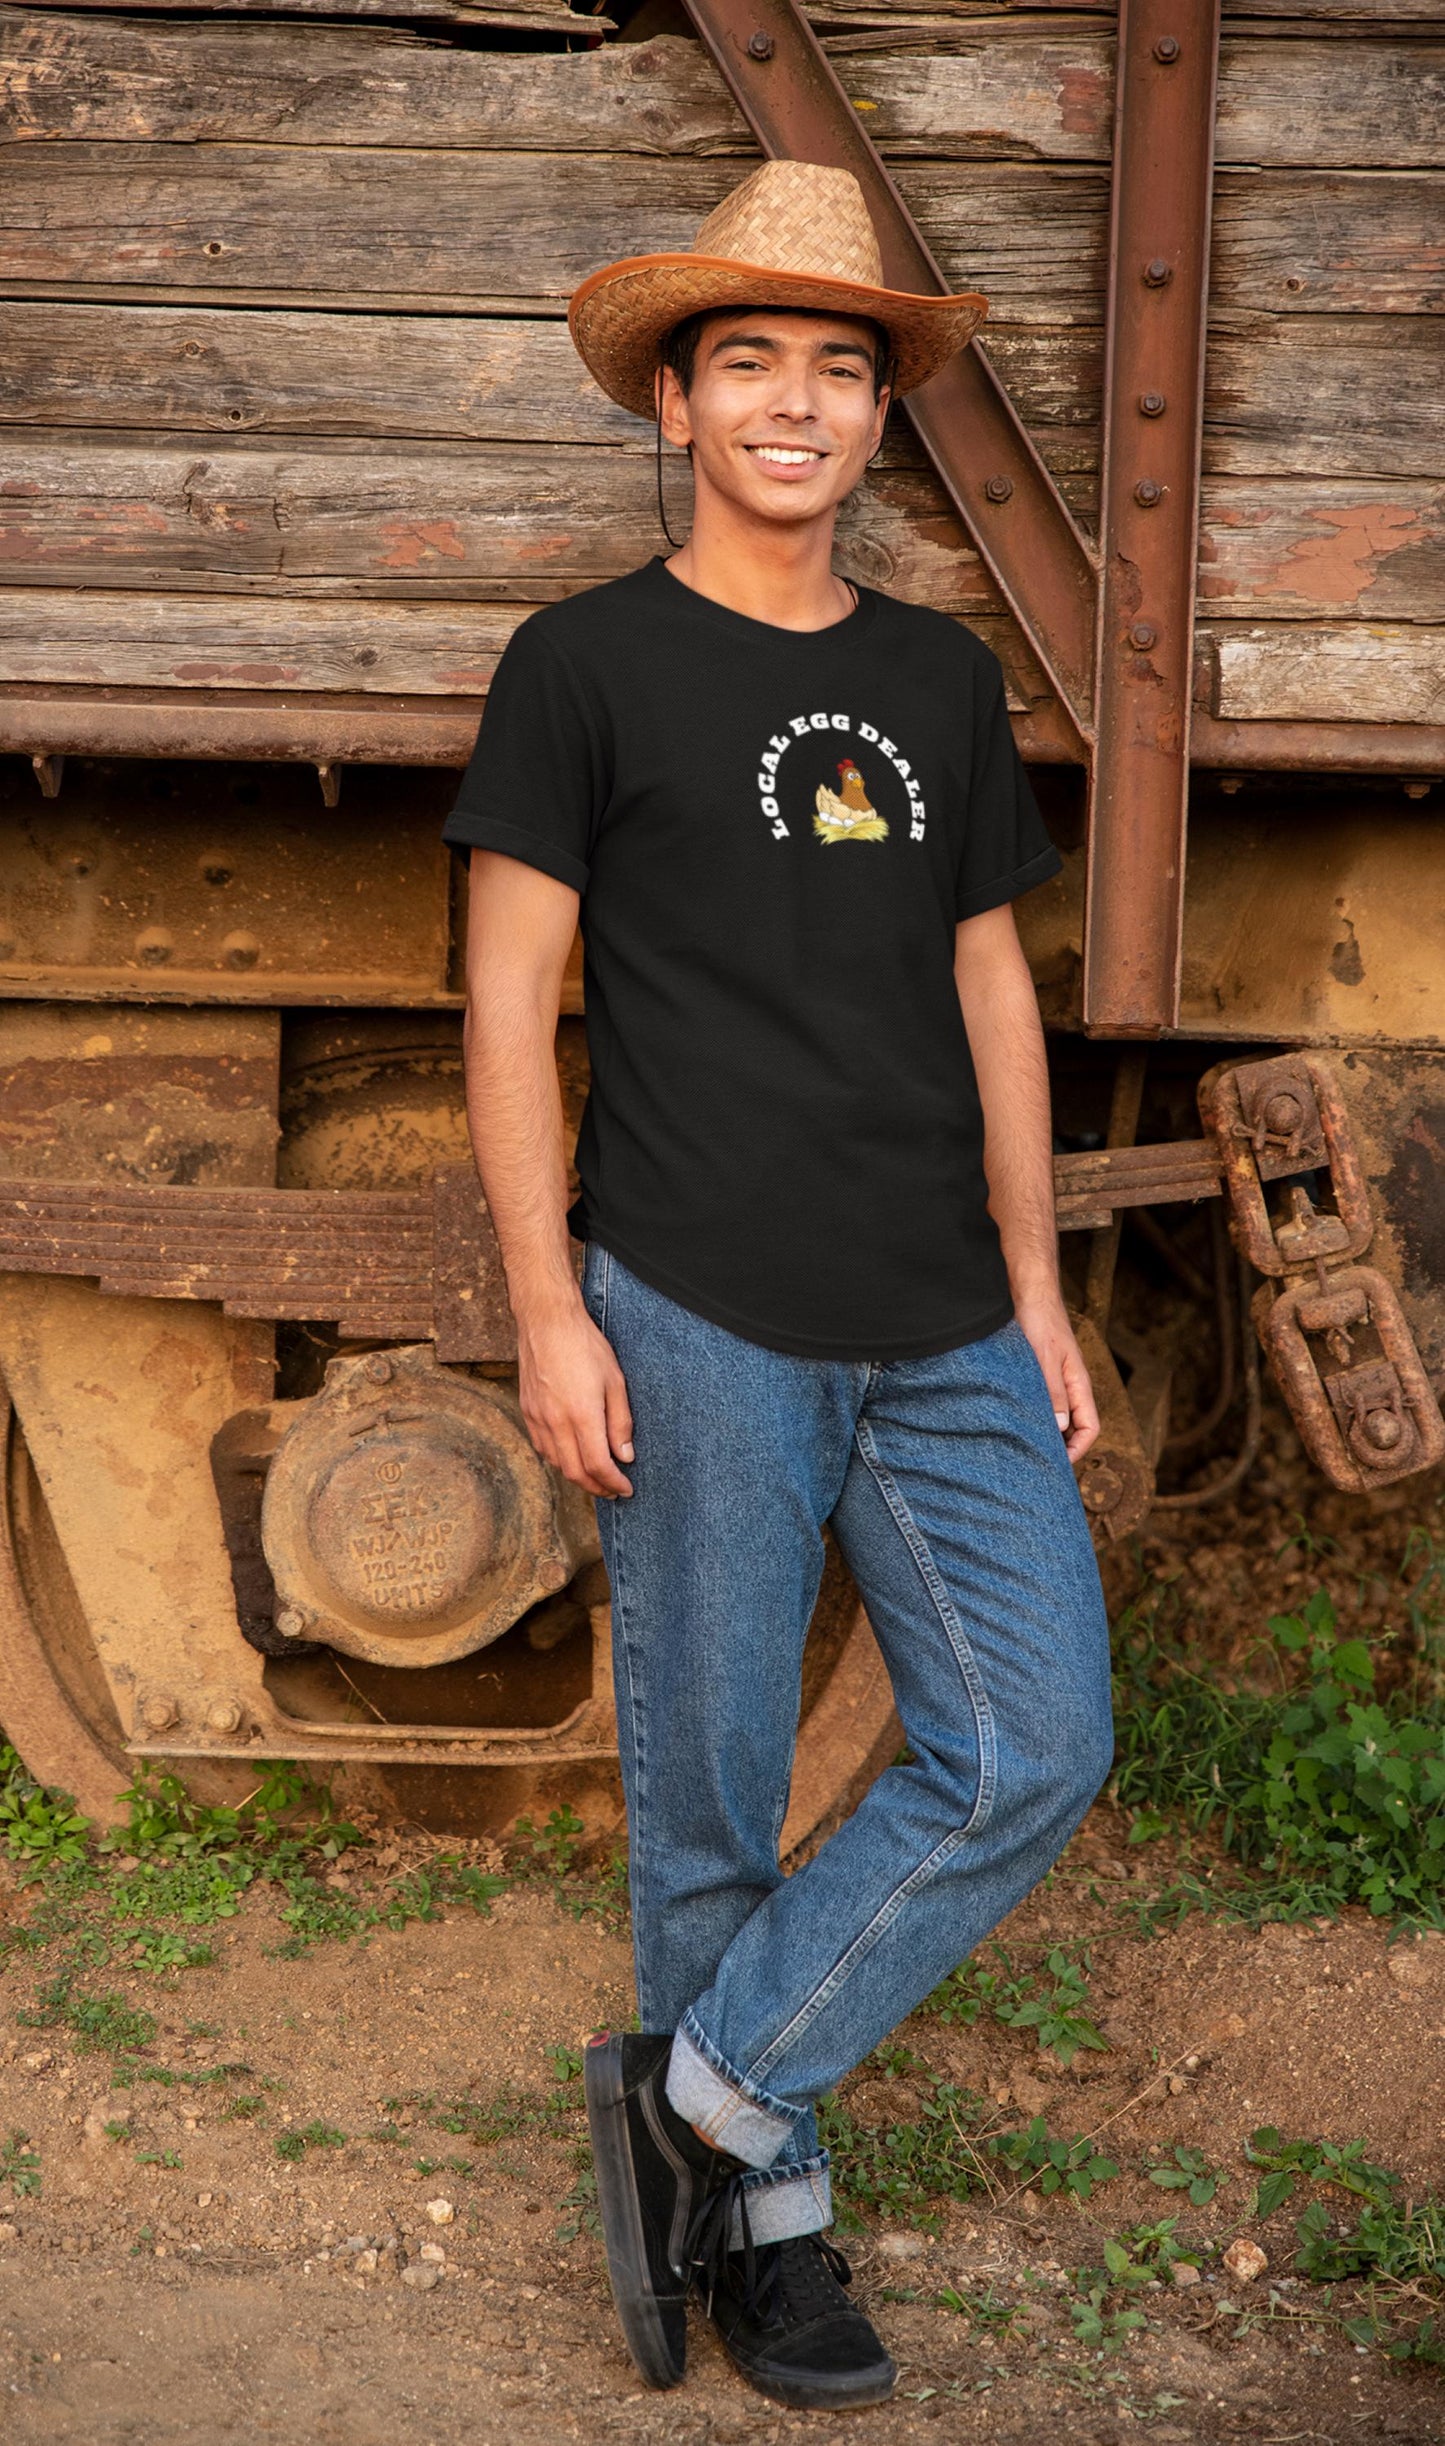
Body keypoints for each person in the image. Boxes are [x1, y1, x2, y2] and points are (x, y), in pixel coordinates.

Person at [443, 158, 1113, 2412]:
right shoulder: (585, 666)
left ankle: (694, 2101)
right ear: (675, 403)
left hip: (938, 1314)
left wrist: (1034, 1280)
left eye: (841, 368)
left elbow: (993, 997)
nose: (800, 405)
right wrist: (551, 1305)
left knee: (1034, 1735)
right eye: (754, 364)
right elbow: (508, 998)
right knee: (712, 1787)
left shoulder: (931, 677)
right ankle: (778, 2227)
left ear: (874, 415)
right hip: (697, 1299)